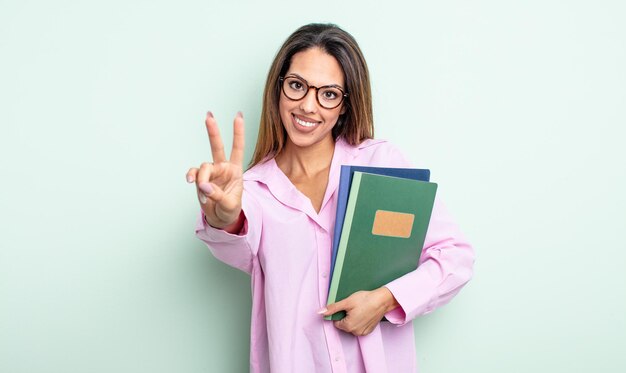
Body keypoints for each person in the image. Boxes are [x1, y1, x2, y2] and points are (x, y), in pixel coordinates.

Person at [186, 23, 474, 373]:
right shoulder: (255, 191)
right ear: (277, 89)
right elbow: (236, 244)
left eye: (329, 94)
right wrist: (223, 216)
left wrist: (385, 301)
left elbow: (455, 258)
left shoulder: (381, 165)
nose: (308, 106)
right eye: (296, 86)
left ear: (345, 105)